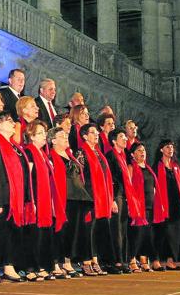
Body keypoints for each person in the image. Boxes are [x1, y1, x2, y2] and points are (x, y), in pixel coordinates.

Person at [0, 110, 27, 283]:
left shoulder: (13, 145)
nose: (13, 124)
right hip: (1, 195)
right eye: (9, 120)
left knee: (10, 232)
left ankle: (9, 265)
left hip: (13, 195)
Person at [49, 126, 91, 277]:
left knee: (73, 232)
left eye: (66, 135)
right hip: (62, 197)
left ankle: (67, 261)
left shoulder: (70, 155)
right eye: (62, 136)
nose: (66, 137)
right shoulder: (50, 156)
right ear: (53, 140)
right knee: (61, 230)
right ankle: (56, 263)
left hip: (77, 197)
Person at [106, 128, 146, 274]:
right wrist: (112, 199)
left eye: (125, 136)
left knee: (123, 230)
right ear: (114, 141)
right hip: (116, 196)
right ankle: (116, 261)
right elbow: (110, 179)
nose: (125, 139)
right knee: (116, 230)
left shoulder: (123, 156)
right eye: (121, 136)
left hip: (123, 195)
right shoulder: (111, 155)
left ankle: (123, 260)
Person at [23, 120, 59, 281]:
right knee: (33, 234)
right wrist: (32, 201)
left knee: (43, 233)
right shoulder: (29, 152)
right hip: (35, 198)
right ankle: (31, 267)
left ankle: (43, 265)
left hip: (45, 199)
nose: (45, 136)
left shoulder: (43, 154)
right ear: (31, 135)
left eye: (44, 133)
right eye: (40, 133)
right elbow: (28, 178)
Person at [78, 123, 115, 276]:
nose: (96, 135)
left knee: (98, 230)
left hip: (102, 198)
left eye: (97, 132)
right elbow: (80, 177)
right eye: (92, 132)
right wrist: (87, 196)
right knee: (88, 230)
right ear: (85, 136)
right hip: (89, 197)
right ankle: (86, 261)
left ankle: (96, 260)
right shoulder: (81, 152)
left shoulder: (99, 152)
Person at [153, 139, 180, 271]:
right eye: (167, 147)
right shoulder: (157, 166)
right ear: (161, 150)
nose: (170, 149)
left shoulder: (175, 166)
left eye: (172, 147)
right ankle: (156, 260)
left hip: (176, 204)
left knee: (174, 234)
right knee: (161, 232)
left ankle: (170, 261)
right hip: (163, 205)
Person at [129, 142, 166, 272]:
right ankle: (132, 259)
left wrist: (159, 203)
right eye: (139, 150)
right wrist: (131, 204)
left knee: (147, 235)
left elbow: (154, 187)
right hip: (138, 206)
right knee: (137, 234)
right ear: (133, 154)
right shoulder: (131, 167)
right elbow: (129, 187)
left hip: (150, 206)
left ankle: (144, 260)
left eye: (143, 150)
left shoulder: (149, 168)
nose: (142, 152)